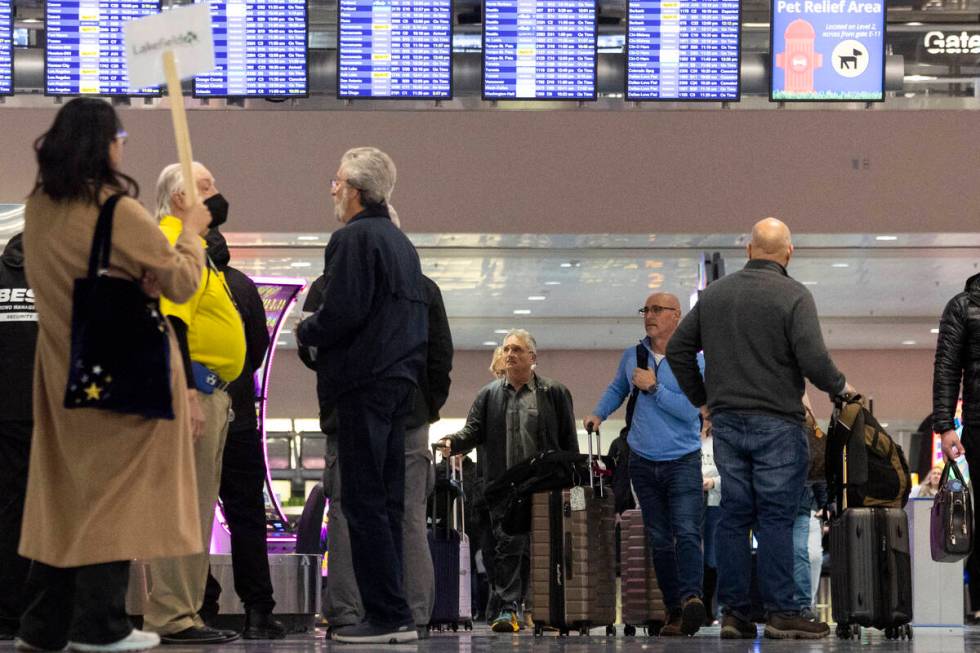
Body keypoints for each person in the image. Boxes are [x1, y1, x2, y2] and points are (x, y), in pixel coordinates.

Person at [17, 97, 209, 652]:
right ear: (104, 143)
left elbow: (79, 273)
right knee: (114, 494)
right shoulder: (117, 209)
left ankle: (43, 625)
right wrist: (190, 231)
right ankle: (101, 625)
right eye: (119, 134)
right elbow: (179, 283)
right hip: (121, 374)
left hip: (59, 370)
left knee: (64, 496)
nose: (123, 143)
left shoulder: (38, 208)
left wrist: (136, 274)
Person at [667, 217, 853, 640]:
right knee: (775, 518)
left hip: (728, 421)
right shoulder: (794, 295)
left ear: (748, 251)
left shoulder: (714, 296)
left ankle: (734, 613)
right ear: (789, 253)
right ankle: (783, 612)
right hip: (778, 423)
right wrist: (842, 387)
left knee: (734, 515)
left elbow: (679, 349)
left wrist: (704, 401)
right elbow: (813, 359)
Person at [296, 147, 428, 645]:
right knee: (391, 502)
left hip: (362, 383)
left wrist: (306, 329)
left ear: (354, 189)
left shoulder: (351, 239)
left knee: (363, 501)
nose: (331, 189)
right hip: (400, 386)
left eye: (336, 182)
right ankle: (398, 612)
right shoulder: (401, 242)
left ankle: (385, 615)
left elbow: (344, 311)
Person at [314, 205, 454, 640]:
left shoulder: (328, 286)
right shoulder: (422, 287)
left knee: (351, 511)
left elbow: (318, 345)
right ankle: (411, 613)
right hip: (406, 415)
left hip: (355, 411)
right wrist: (424, 404)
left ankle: (352, 613)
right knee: (406, 515)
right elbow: (439, 358)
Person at [143, 163, 246, 645]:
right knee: (184, 507)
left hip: (208, 389)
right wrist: (187, 389)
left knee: (197, 507)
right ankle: (173, 615)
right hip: (192, 389)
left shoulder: (196, 247)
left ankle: (184, 610)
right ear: (181, 197)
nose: (217, 195)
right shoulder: (174, 242)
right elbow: (171, 321)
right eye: (206, 187)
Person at [437, 329, 579, 633]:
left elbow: (568, 443)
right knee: (508, 547)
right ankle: (507, 609)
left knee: (542, 548)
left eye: (517, 350)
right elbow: (471, 432)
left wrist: (573, 483)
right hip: (503, 487)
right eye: (506, 350)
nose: (510, 355)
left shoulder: (554, 393)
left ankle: (542, 609)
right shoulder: (488, 395)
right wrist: (453, 443)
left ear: (533, 358)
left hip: (542, 484)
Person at [584, 292, 707, 637]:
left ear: (676, 316)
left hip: (682, 460)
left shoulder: (695, 361)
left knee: (686, 532)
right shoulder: (633, 355)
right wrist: (598, 413)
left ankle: (692, 599)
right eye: (646, 309)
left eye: (657, 310)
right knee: (659, 538)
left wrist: (654, 389)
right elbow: (617, 389)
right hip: (642, 461)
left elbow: (690, 411)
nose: (649, 315)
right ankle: (674, 611)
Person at [198, 228, 287, 639]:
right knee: (247, 516)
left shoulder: (190, 284)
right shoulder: (244, 287)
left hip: (198, 410)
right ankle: (257, 611)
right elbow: (257, 348)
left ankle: (200, 602)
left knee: (194, 514)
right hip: (241, 417)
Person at [0, 233, 37, 640]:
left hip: (4, 415)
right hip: (48, 416)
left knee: (7, 511)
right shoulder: (57, 276)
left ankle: (6, 614)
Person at [701, 423, 721, 625]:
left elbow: (729, 472)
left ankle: (708, 605)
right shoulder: (685, 440)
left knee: (712, 556)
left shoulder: (718, 442)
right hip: (690, 501)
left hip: (715, 502)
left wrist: (713, 482)